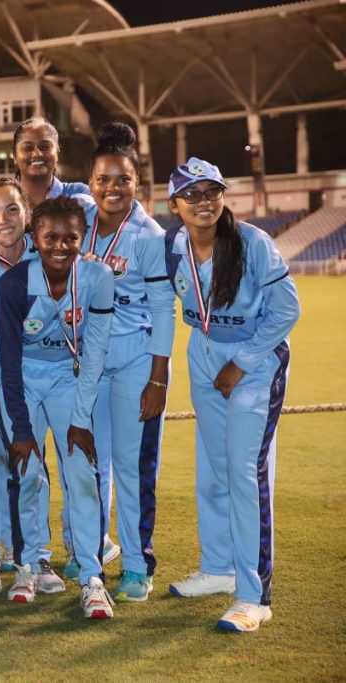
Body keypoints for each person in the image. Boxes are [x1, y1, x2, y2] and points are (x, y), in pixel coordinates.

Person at [163, 158, 300, 632]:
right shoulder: (172, 243)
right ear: (174, 203)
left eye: (212, 192)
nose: (204, 202)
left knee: (245, 473)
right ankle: (219, 568)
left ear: (223, 197)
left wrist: (240, 363)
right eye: (192, 194)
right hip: (203, 353)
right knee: (213, 467)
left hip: (254, 360)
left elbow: (287, 309)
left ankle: (254, 595)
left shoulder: (252, 243)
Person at [0, 196, 116, 619]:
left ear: (84, 239)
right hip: (25, 378)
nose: (61, 246)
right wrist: (22, 428)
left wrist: (80, 420)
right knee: (28, 471)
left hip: (72, 376)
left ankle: (91, 577)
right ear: (34, 238)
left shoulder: (98, 278)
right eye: (51, 237)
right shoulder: (13, 284)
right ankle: (29, 563)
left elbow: (96, 351)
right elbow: (8, 361)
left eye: (71, 238)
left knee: (81, 471)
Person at [70, 122, 175, 601]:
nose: (112, 188)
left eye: (123, 180)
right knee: (92, 464)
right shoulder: (80, 221)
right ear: (90, 183)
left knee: (132, 469)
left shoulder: (148, 235)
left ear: (137, 184)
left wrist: (158, 378)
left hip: (135, 362)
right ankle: (90, 555)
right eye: (103, 179)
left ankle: (137, 564)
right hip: (90, 362)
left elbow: (162, 310)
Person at [0, 177, 60, 596]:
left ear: (26, 212)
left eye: (11, 209)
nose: (2, 220)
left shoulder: (50, 256)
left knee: (31, 466)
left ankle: (36, 554)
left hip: (38, 376)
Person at [13, 116, 89, 211]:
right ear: (15, 157)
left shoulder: (81, 194)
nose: (37, 154)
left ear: (57, 154)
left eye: (45, 147)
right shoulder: (4, 201)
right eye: (28, 148)